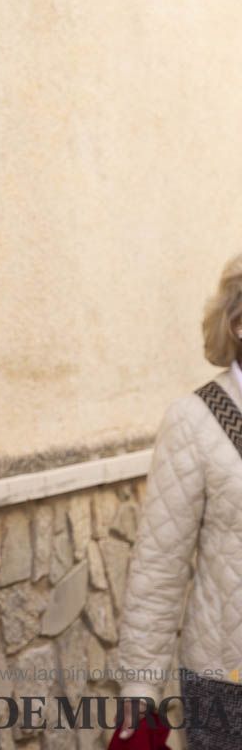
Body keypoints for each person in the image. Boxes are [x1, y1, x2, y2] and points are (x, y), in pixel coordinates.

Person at [116, 253, 242, 747]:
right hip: (225, 687)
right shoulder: (195, 420)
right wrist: (139, 687)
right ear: (238, 324)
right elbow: (159, 567)